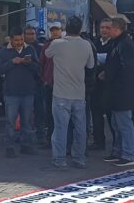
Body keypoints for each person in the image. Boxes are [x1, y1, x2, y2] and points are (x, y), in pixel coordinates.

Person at [45, 17, 94, 169]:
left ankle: (59, 160)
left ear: (66, 27)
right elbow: (90, 65)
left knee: (60, 128)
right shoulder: (86, 44)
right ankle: (79, 158)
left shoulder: (57, 43)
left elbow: (47, 54)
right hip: (79, 93)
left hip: (60, 93)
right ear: (80, 29)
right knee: (80, 128)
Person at [102, 16, 134, 167]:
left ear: (117, 29)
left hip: (123, 92)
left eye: (109, 28)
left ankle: (128, 154)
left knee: (124, 124)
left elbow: (126, 69)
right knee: (116, 124)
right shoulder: (116, 43)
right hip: (116, 91)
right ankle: (117, 151)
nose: (106, 31)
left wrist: (113, 77)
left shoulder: (125, 44)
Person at [0, 30, 40, 158]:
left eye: (21, 40)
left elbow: (38, 68)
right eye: (16, 40)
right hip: (11, 92)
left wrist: (29, 63)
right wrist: (12, 62)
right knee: (10, 121)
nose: (19, 43)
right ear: (11, 40)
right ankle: (9, 147)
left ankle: (26, 145)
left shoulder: (30, 49)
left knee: (27, 121)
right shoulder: (4, 51)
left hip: (28, 91)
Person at [38, 22, 62, 147]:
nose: (54, 32)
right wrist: (44, 79)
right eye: (52, 30)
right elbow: (41, 64)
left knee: (62, 114)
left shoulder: (65, 45)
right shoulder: (46, 46)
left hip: (63, 85)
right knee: (50, 113)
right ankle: (50, 140)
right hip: (49, 84)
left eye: (57, 30)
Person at [90, 19, 112, 150]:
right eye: (102, 27)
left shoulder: (115, 44)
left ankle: (117, 143)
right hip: (96, 86)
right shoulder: (95, 43)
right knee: (96, 114)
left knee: (111, 116)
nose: (104, 30)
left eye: (107, 28)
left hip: (109, 87)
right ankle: (98, 141)